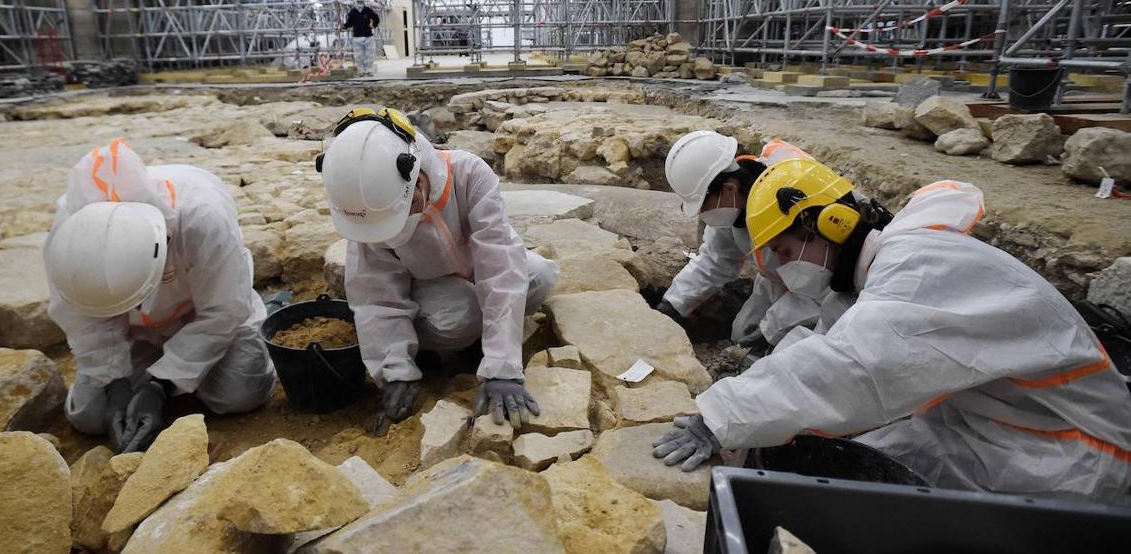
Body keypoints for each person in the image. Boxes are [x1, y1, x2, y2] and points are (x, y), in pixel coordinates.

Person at [653, 158, 1131, 502]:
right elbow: (824, 342)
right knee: (846, 462)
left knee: (867, 496)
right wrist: (748, 392)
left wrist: (721, 416)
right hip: (985, 420)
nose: (779, 267)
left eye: (782, 250)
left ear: (832, 225)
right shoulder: (871, 276)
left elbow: (851, 368)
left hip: (1064, 450)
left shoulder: (919, 269)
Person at [318, 107, 559, 429]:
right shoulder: (366, 209)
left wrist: (503, 368)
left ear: (417, 179)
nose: (399, 225)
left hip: (474, 268)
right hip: (429, 288)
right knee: (462, 316)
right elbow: (376, 295)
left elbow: (500, 263)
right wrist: (394, 371)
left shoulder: (468, 174)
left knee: (538, 277)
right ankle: (435, 350)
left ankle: (484, 344)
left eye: (406, 211)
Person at [44, 140, 275, 453]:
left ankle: (170, 373)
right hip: (133, 331)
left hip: (203, 315)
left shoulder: (202, 218)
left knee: (241, 392)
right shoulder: (69, 238)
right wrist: (115, 384)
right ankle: (154, 373)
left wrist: (160, 386)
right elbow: (83, 320)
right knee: (92, 417)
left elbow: (223, 310)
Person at [658, 132, 823, 349]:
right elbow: (715, 261)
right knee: (742, 334)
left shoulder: (794, 205)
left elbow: (818, 285)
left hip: (822, 290)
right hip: (776, 280)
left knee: (779, 347)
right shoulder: (733, 205)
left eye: (703, 206)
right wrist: (672, 304)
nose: (702, 214)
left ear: (729, 188)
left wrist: (771, 331)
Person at [343, 0, 380, 77]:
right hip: (357, 36)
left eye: (361, 2)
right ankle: (361, 71)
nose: (360, 3)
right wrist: (344, 26)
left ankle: (369, 70)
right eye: (358, 1)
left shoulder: (368, 10)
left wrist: (374, 25)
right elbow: (349, 22)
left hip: (368, 36)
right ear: (355, 2)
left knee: (369, 54)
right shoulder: (353, 12)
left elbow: (376, 18)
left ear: (364, 2)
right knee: (358, 55)